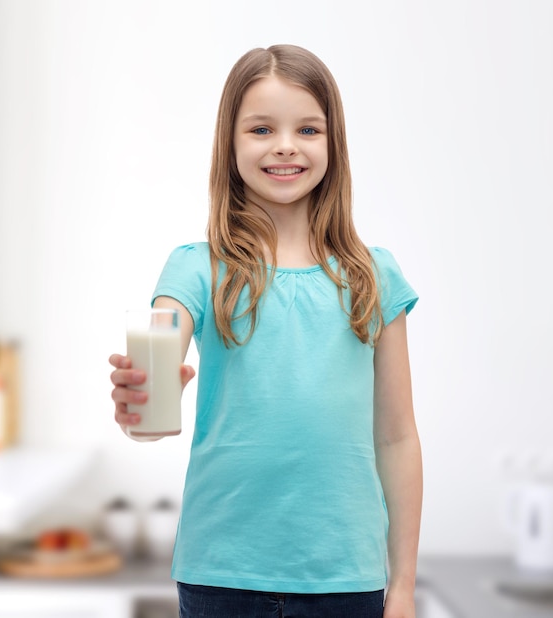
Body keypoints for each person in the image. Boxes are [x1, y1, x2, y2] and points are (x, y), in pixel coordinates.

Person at [109, 44, 422, 618]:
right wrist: (144, 404)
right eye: (260, 128)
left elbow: (396, 437)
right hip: (220, 577)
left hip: (346, 581)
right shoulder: (194, 268)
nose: (284, 145)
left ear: (334, 144)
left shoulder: (374, 275)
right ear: (230, 144)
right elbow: (156, 380)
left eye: (307, 128)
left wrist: (402, 587)